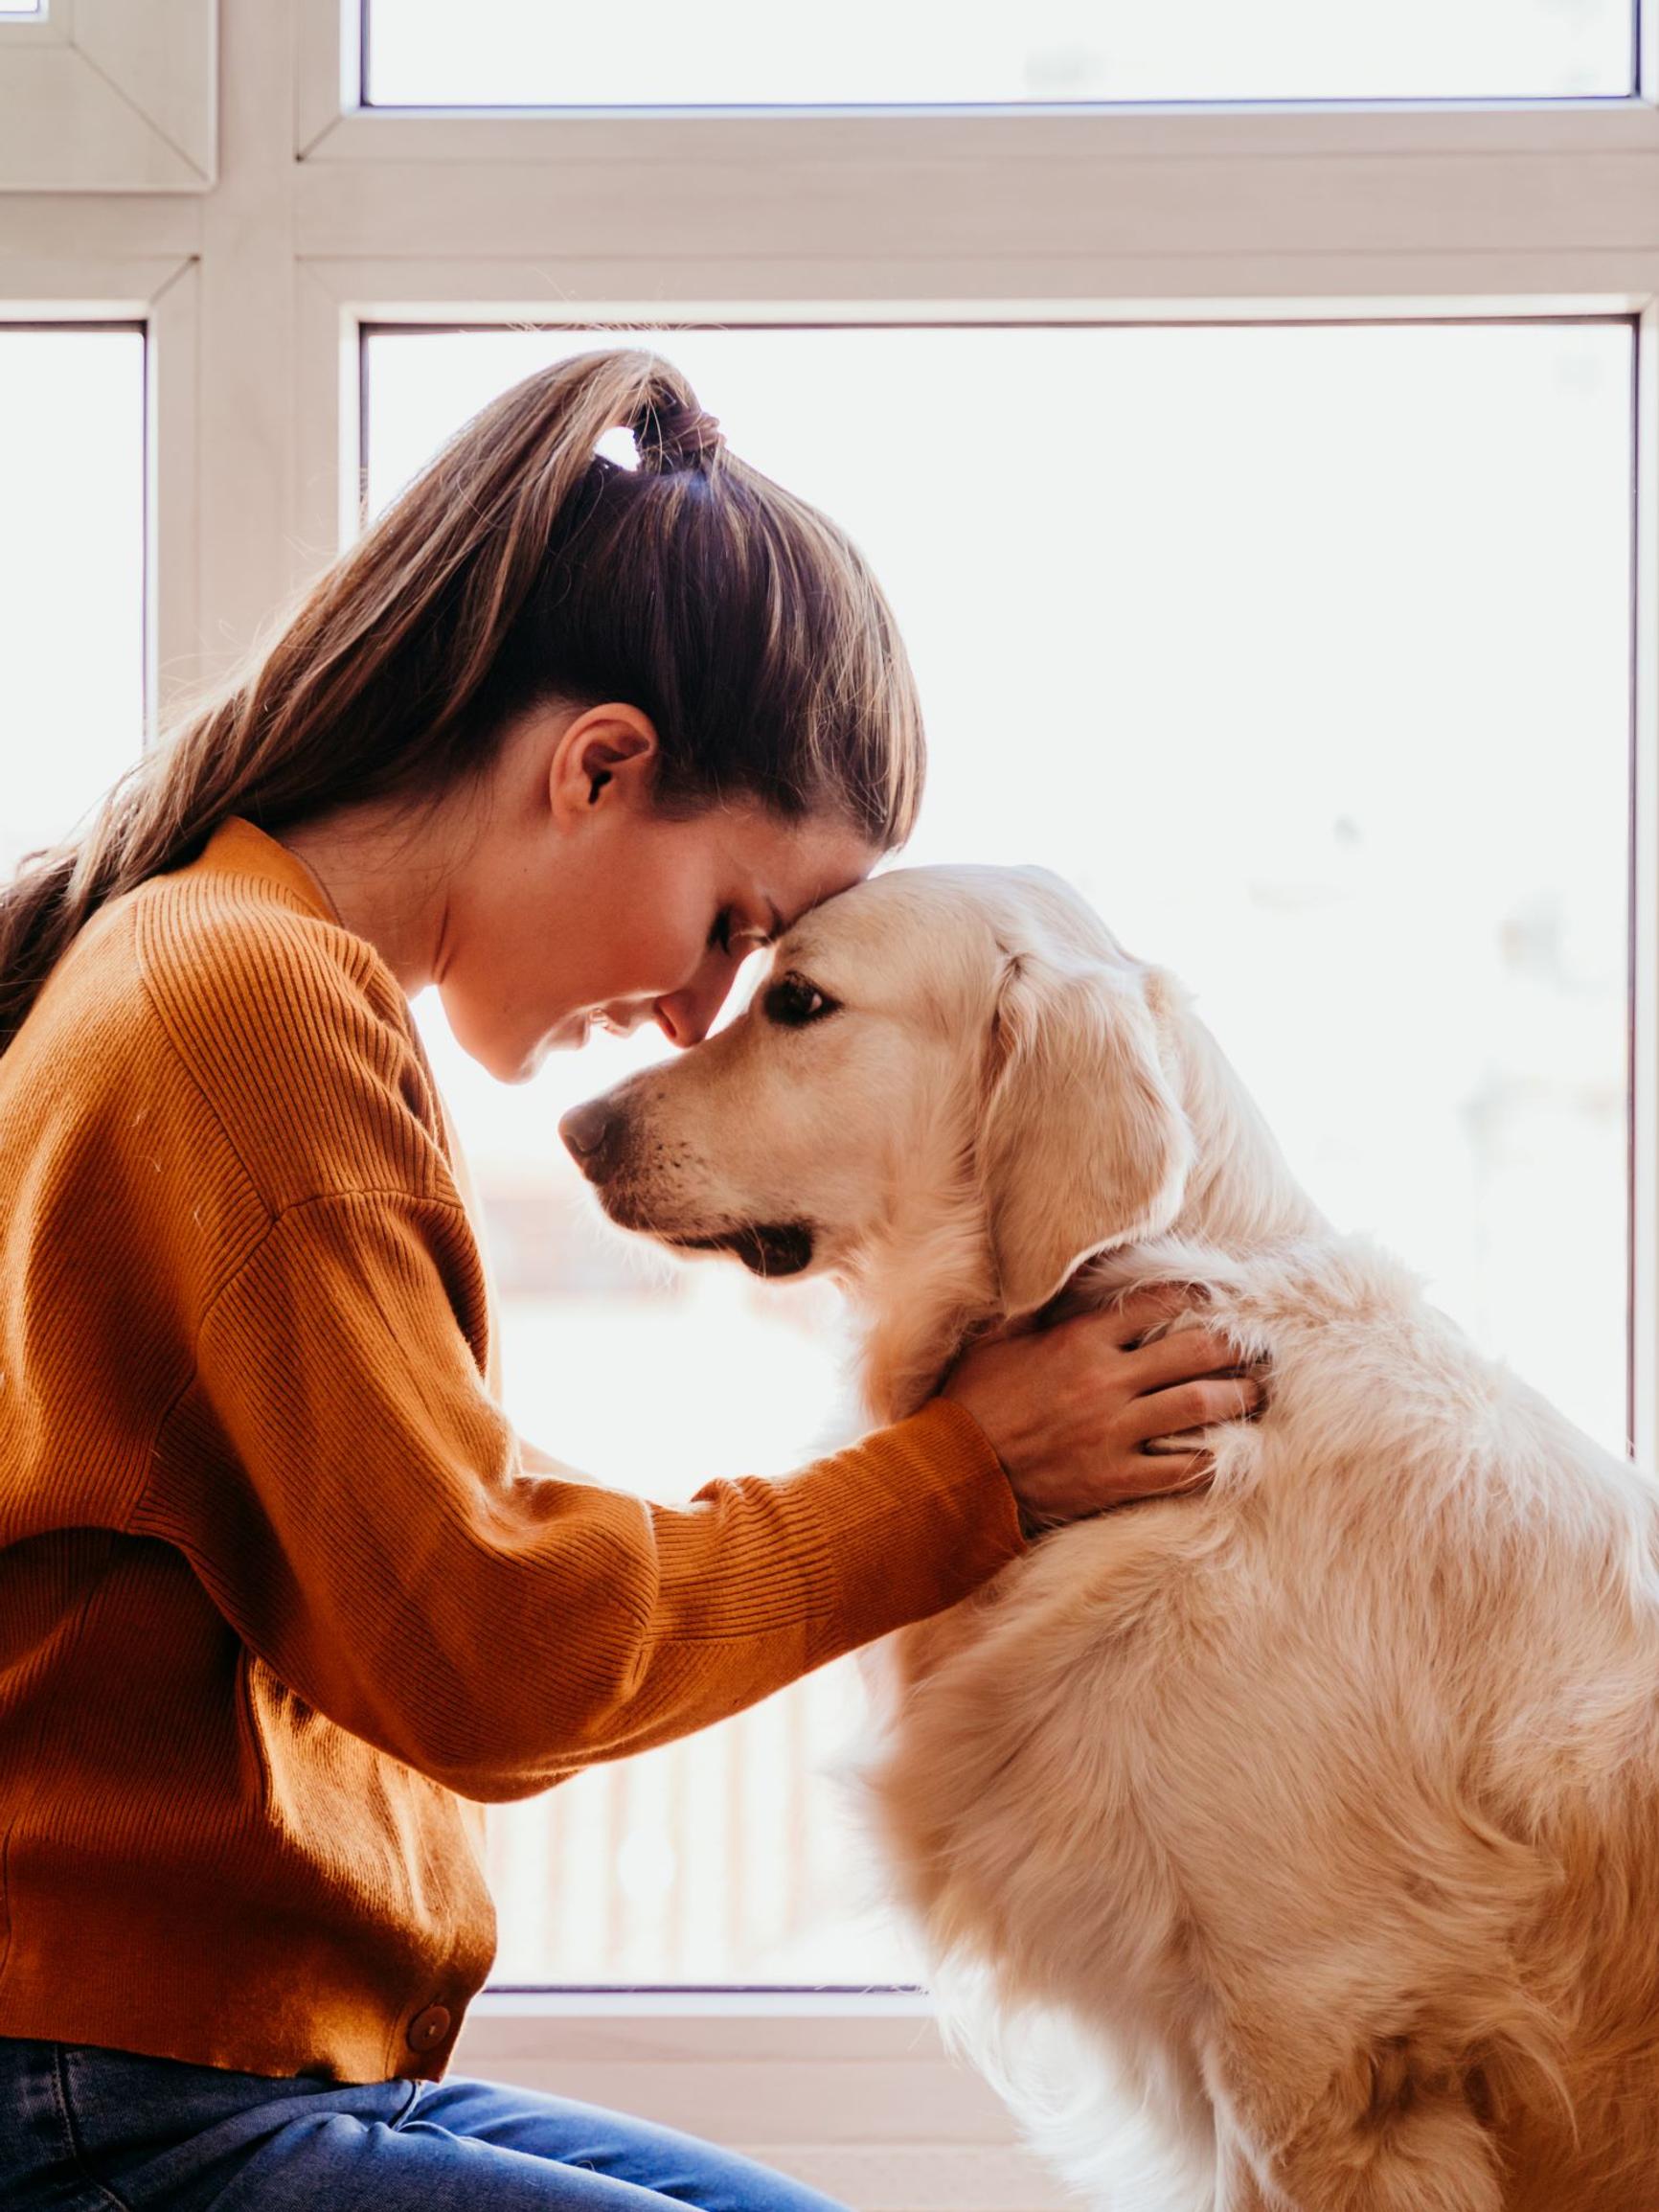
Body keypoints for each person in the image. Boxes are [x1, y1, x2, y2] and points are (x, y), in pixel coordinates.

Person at [0, 349, 1263, 2210]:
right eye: (735, 923)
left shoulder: (227, 965)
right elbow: (494, 1647)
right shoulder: (243, 1005)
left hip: (226, 2065)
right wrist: (971, 1474)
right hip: (97, 2105)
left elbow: (420, 1583)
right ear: (596, 767)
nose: (693, 1014)